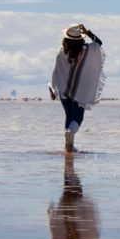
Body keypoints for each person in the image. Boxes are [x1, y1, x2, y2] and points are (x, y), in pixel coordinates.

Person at [48, 23, 105, 153]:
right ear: (80, 38)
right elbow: (99, 43)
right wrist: (87, 32)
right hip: (81, 91)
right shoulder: (88, 50)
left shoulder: (62, 51)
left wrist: (52, 88)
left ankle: (68, 145)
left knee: (69, 116)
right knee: (78, 118)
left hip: (64, 90)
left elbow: (56, 71)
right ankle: (70, 135)